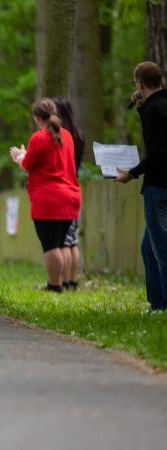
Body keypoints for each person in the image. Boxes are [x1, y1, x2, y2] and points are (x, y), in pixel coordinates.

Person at [10, 98, 81, 293]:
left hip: (48, 199)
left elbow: (27, 165)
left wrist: (19, 157)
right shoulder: (67, 135)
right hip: (70, 196)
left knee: (51, 247)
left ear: (37, 118)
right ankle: (63, 283)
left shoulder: (39, 138)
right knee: (61, 244)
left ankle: (54, 285)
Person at [116, 61, 167, 311]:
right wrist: (140, 108)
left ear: (140, 83)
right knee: (148, 248)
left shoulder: (152, 111)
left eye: (135, 82)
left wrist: (132, 173)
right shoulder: (159, 105)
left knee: (161, 250)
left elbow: (157, 153)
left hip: (157, 186)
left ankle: (163, 306)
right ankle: (156, 304)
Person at [53, 96, 85, 290]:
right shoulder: (78, 136)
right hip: (75, 187)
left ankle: (61, 282)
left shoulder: (59, 136)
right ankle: (72, 281)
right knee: (72, 241)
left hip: (60, 189)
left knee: (62, 241)